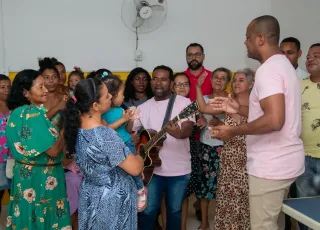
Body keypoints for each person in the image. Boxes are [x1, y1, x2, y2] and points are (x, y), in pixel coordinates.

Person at [209, 15, 304, 229]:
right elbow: (272, 110)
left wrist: (233, 132)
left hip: (271, 165)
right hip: (284, 160)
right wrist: (238, 108)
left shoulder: (268, 69)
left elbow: (274, 120)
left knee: (263, 225)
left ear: (260, 39)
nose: (245, 42)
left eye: (247, 37)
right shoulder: (283, 65)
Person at [62, 78, 144, 230]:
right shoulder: (104, 135)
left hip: (91, 194)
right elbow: (135, 168)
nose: (111, 97)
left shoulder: (77, 130)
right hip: (113, 199)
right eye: (106, 96)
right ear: (95, 106)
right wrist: (140, 155)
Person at [128, 65, 194, 230]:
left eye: (163, 79)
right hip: (152, 171)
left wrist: (177, 133)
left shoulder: (184, 103)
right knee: (148, 211)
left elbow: (187, 129)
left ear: (171, 83)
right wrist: (133, 135)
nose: (158, 83)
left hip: (179, 169)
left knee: (174, 211)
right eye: (155, 79)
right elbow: (131, 130)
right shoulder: (144, 107)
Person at [5, 69, 71, 230]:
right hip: (40, 181)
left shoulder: (21, 112)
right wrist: (65, 128)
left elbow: (42, 135)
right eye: (40, 86)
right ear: (25, 92)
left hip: (30, 177)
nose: (46, 90)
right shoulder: (30, 113)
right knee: (42, 219)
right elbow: (53, 151)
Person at [99, 72, 147, 212]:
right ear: (112, 96)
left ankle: (140, 188)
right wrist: (123, 119)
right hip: (112, 147)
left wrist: (131, 120)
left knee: (135, 170)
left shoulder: (121, 110)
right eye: (122, 94)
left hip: (126, 143)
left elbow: (127, 129)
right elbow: (106, 130)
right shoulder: (102, 113)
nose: (124, 97)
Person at [213, 69, 254, 230]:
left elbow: (261, 122)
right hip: (229, 159)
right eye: (235, 80)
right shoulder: (229, 102)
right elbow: (228, 133)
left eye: (241, 80)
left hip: (248, 160)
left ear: (251, 84)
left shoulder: (257, 104)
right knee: (226, 199)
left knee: (245, 201)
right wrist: (219, 132)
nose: (236, 83)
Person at [196, 67, 231, 230]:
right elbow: (197, 120)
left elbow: (239, 124)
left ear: (228, 82)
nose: (218, 80)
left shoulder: (232, 100)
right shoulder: (202, 99)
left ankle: (223, 221)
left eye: (223, 78)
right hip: (206, 147)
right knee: (205, 186)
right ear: (210, 80)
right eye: (216, 77)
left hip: (224, 148)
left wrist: (222, 124)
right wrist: (200, 123)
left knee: (224, 186)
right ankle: (204, 222)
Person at [171, 72, 201, 230]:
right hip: (167, 151)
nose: (182, 87)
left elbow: (196, 125)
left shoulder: (192, 105)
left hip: (187, 150)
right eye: (178, 84)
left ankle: (182, 226)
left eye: (185, 84)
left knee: (184, 193)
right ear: (172, 87)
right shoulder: (165, 104)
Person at [296, 43, 320, 230]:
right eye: (309, 56)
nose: (310, 58)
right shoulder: (299, 86)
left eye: (316, 55)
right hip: (303, 157)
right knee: (306, 209)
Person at [0, 74, 11, 215]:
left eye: (9, 87)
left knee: (15, 195)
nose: (6, 90)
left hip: (13, 158)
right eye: (2, 87)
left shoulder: (16, 108)